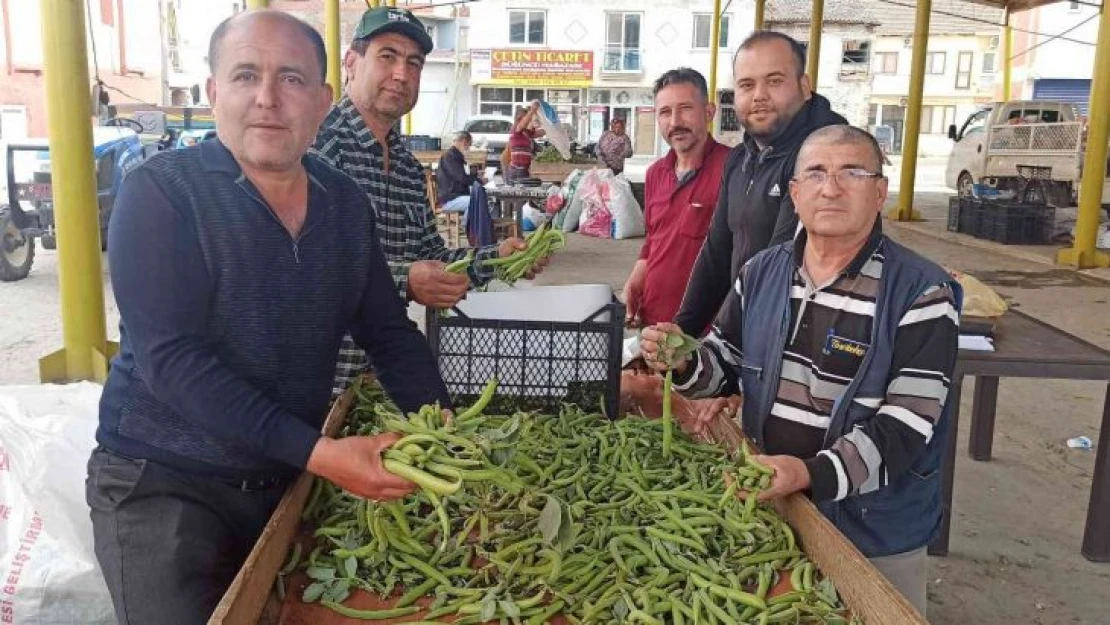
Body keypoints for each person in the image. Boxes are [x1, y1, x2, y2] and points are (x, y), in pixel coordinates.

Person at [86, 11, 450, 624]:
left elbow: (388, 333)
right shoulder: (163, 193)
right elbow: (175, 364)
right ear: (213, 93)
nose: (267, 99)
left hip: (280, 473)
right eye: (245, 75)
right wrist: (321, 452)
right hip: (163, 481)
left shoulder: (342, 203)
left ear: (322, 100)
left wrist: (442, 432)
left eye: (292, 79)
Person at [641, 126, 962, 616]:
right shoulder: (763, 271)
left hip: (873, 524)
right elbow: (721, 365)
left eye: (851, 172)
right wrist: (682, 359)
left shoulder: (922, 292)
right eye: (815, 173)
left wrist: (810, 474)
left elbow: (907, 426)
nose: (830, 187)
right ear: (794, 193)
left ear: (880, 192)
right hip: (771, 500)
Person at [312, 7, 544, 398]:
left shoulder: (405, 165)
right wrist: (405, 282)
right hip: (318, 383)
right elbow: (307, 266)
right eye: (387, 56)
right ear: (351, 62)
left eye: (414, 62)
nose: (402, 74)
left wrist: (499, 258)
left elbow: (433, 256)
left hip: (378, 382)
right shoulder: (319, 148)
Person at [674, 31, 848, 337]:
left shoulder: (824, 157)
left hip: (806, 346)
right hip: (755, 335)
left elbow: (776, 266)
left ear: (804, 87)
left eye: (775, 80)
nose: (759, 95)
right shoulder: (742, 157)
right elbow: (716, 253)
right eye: (746, 85)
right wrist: (679, 333)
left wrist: (715, 348)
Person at [622, 68, 729, 329]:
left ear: (709, 112)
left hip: (703, 333)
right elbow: (654, 239)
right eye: (665, 112)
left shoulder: (733, 168)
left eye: (685, 109)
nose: (675, 122)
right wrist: (637, 278)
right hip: (652, 322)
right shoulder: (655, 173)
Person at [436, 130, 483, 214]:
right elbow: (462, 178)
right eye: (469, 145)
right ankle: (467, 225)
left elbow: (460, 175)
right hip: (449, 199)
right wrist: (480, 181)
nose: (469, 148)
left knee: (479, 198)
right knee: (476, 201)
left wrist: (474, 174)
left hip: (456, 196)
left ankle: (470, 225)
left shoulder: (455, 156)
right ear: (464, 142)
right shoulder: (449, 157)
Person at [504, 101, 545, 184]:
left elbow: (540, 133)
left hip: (524, 170)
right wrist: (533, 110)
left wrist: (554, 130)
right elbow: (523, 124)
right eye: (526, 118)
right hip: (516, 171)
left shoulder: (526, 132)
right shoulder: (515, 129)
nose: (528, 120)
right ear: (519, 119)